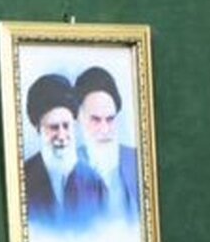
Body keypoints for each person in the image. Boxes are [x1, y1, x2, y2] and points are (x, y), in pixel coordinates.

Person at [21, 74, 105, 229]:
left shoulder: (95, 184)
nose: (61, 136)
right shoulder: (22, 179)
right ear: (38, 128)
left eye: (66, 126)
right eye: (53, 127)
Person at [75, 66, 140, 223]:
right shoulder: (65, 168)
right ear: (79, 118)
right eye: (95, 120)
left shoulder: (138, 160)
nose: (105, 129)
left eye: (110, 119)